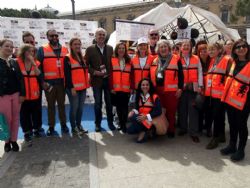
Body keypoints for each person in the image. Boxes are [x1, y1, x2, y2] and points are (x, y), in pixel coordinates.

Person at [220, 39, 250, 162]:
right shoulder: (234, 62)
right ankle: (232, 145)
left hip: (245, 102)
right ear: (234, 50)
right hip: (230, 99)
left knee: (242, 125)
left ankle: (241, 150)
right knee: (232, 123)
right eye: (238, 47)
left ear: (247, 48)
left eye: (243, 46)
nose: (241, 48)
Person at [37, 29, 69, 136]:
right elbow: (38, 67)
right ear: (47, 37)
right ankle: (51, 126)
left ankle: (64, 125)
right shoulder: (42, 50)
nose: (54, 37)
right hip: (49, 84)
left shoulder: (65, 49)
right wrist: (42, 82)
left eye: (56, 35)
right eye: (51, 36)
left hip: (61, 83)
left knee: (62, 105)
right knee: (50, 106)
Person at [150, 40, 183, 138]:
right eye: (161, 47)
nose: (163, 49)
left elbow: (181, 75)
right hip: (158, 89)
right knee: (160, 111)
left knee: (171, 111)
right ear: (158, 49)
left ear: (169, 48)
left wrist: (180, 88)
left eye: (165, 47)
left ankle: (171, 130)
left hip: (171, 90)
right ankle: (161, 129)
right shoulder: (154, 60)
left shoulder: (176, 59)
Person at [85, 28, 116, 132]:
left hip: (108, 81)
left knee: (109, 103)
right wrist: (94, 72)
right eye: (99, 35)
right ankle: (97, 124)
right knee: (98, 103)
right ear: (95, 36)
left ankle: (110, 123)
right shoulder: (90, 49)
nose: (101, 36)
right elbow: (85, 65)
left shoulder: (111, 48)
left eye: (103, 35)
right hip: (97, 81)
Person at [205, 42, 233, 149]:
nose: (210, 51)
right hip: (213, 94)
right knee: (219, 116)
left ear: (220, 50)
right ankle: (222, 136)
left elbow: (231, 76)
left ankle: (215, 138)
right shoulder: (213, 61)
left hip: (221, 94)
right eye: (209, 49)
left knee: (217, 116)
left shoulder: (227, 60)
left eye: (213, 49)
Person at [0, 39, 25, 152]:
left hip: (16, 94)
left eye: (11, 47)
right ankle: (7, 141)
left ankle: (14, 140)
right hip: (2, 96)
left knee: (15, 118)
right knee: (6, 120)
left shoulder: (14, 62)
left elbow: (20, 79)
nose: (10, 48)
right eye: (7, 46)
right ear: (1, 47)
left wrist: (22, 94)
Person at [178, 39, 203, 143]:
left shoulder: (196, 58)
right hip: (182, 88)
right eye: (184, 45)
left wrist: (200, 86)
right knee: (182, 109)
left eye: (188, 45)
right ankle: (183, 128)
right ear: (181, 48)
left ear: (191, 47)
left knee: (193, 110)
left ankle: (193, 132)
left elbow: (200, 72)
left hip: (194, 88)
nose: (186, 47)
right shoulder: (177, 59)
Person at [17, 44, 43, 142]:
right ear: (23, 52)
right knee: (24, 114)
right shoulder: (17, 62)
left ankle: (36, 130)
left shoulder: (36, 63)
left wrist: (33, 63)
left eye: (32, 51)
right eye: (28, 51)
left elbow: (39, 75)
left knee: (36, 113)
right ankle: (27, 132)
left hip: (34, 93)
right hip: (23, 94)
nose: (30, 53)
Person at [64, 38, 89, 136]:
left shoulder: (81, 58)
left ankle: (79, 125)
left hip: (82, 88)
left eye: (79, 44)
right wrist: (71, 88)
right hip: (73, 88)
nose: (78, 46)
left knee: (80, 108)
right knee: (74, 108)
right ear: (71, 46)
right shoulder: (67, 58)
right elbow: (67, 74)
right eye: (75, 44)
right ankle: (74, 128)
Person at [22, 31, 44, 135]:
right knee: (24, 112)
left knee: (37, 110)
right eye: (27, 42)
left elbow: (40, 75)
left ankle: (37, 127)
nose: (30, 43)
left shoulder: (38, 56)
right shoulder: (17, 60)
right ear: (23, 43)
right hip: (23, 91)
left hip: (36, 89)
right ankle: (27, 130)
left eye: (32, 41)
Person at [127, 78, 162, 143]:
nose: (145, 86)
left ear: (150, 86)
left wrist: (146, 116)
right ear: (140, 86)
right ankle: (146, 131)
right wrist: (132, 111)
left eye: (147, 85)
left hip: (151, 120)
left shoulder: (155, 96)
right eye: (143, 85)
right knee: (129, 129)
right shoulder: (138, 96)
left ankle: (144, 131)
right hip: (141, 118)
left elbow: (159, 111)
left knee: (134, 118)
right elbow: (137, 108)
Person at [110, 42, 131, 133]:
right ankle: (121, 124)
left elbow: (132, 75)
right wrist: (111, 88)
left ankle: (124, 124)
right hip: (116, 89)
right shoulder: (112, 60)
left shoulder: (129, 60)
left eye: (123, 48)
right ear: (116, 50)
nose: (121, 50)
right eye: (119, 48)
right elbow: (110, 75)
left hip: (126, 89)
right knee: (118, 108)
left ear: (125, 50)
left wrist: (131, 87)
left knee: (125, 107)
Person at [194, 40, 213, 136]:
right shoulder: (197, 61)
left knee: (209, 109)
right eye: (201, 51)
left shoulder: (212, 61)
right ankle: (200, 127)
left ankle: (208, 128)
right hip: (200, 89)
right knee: (200, 108)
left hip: (211, 90)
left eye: (205, 50)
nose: (203, 52)